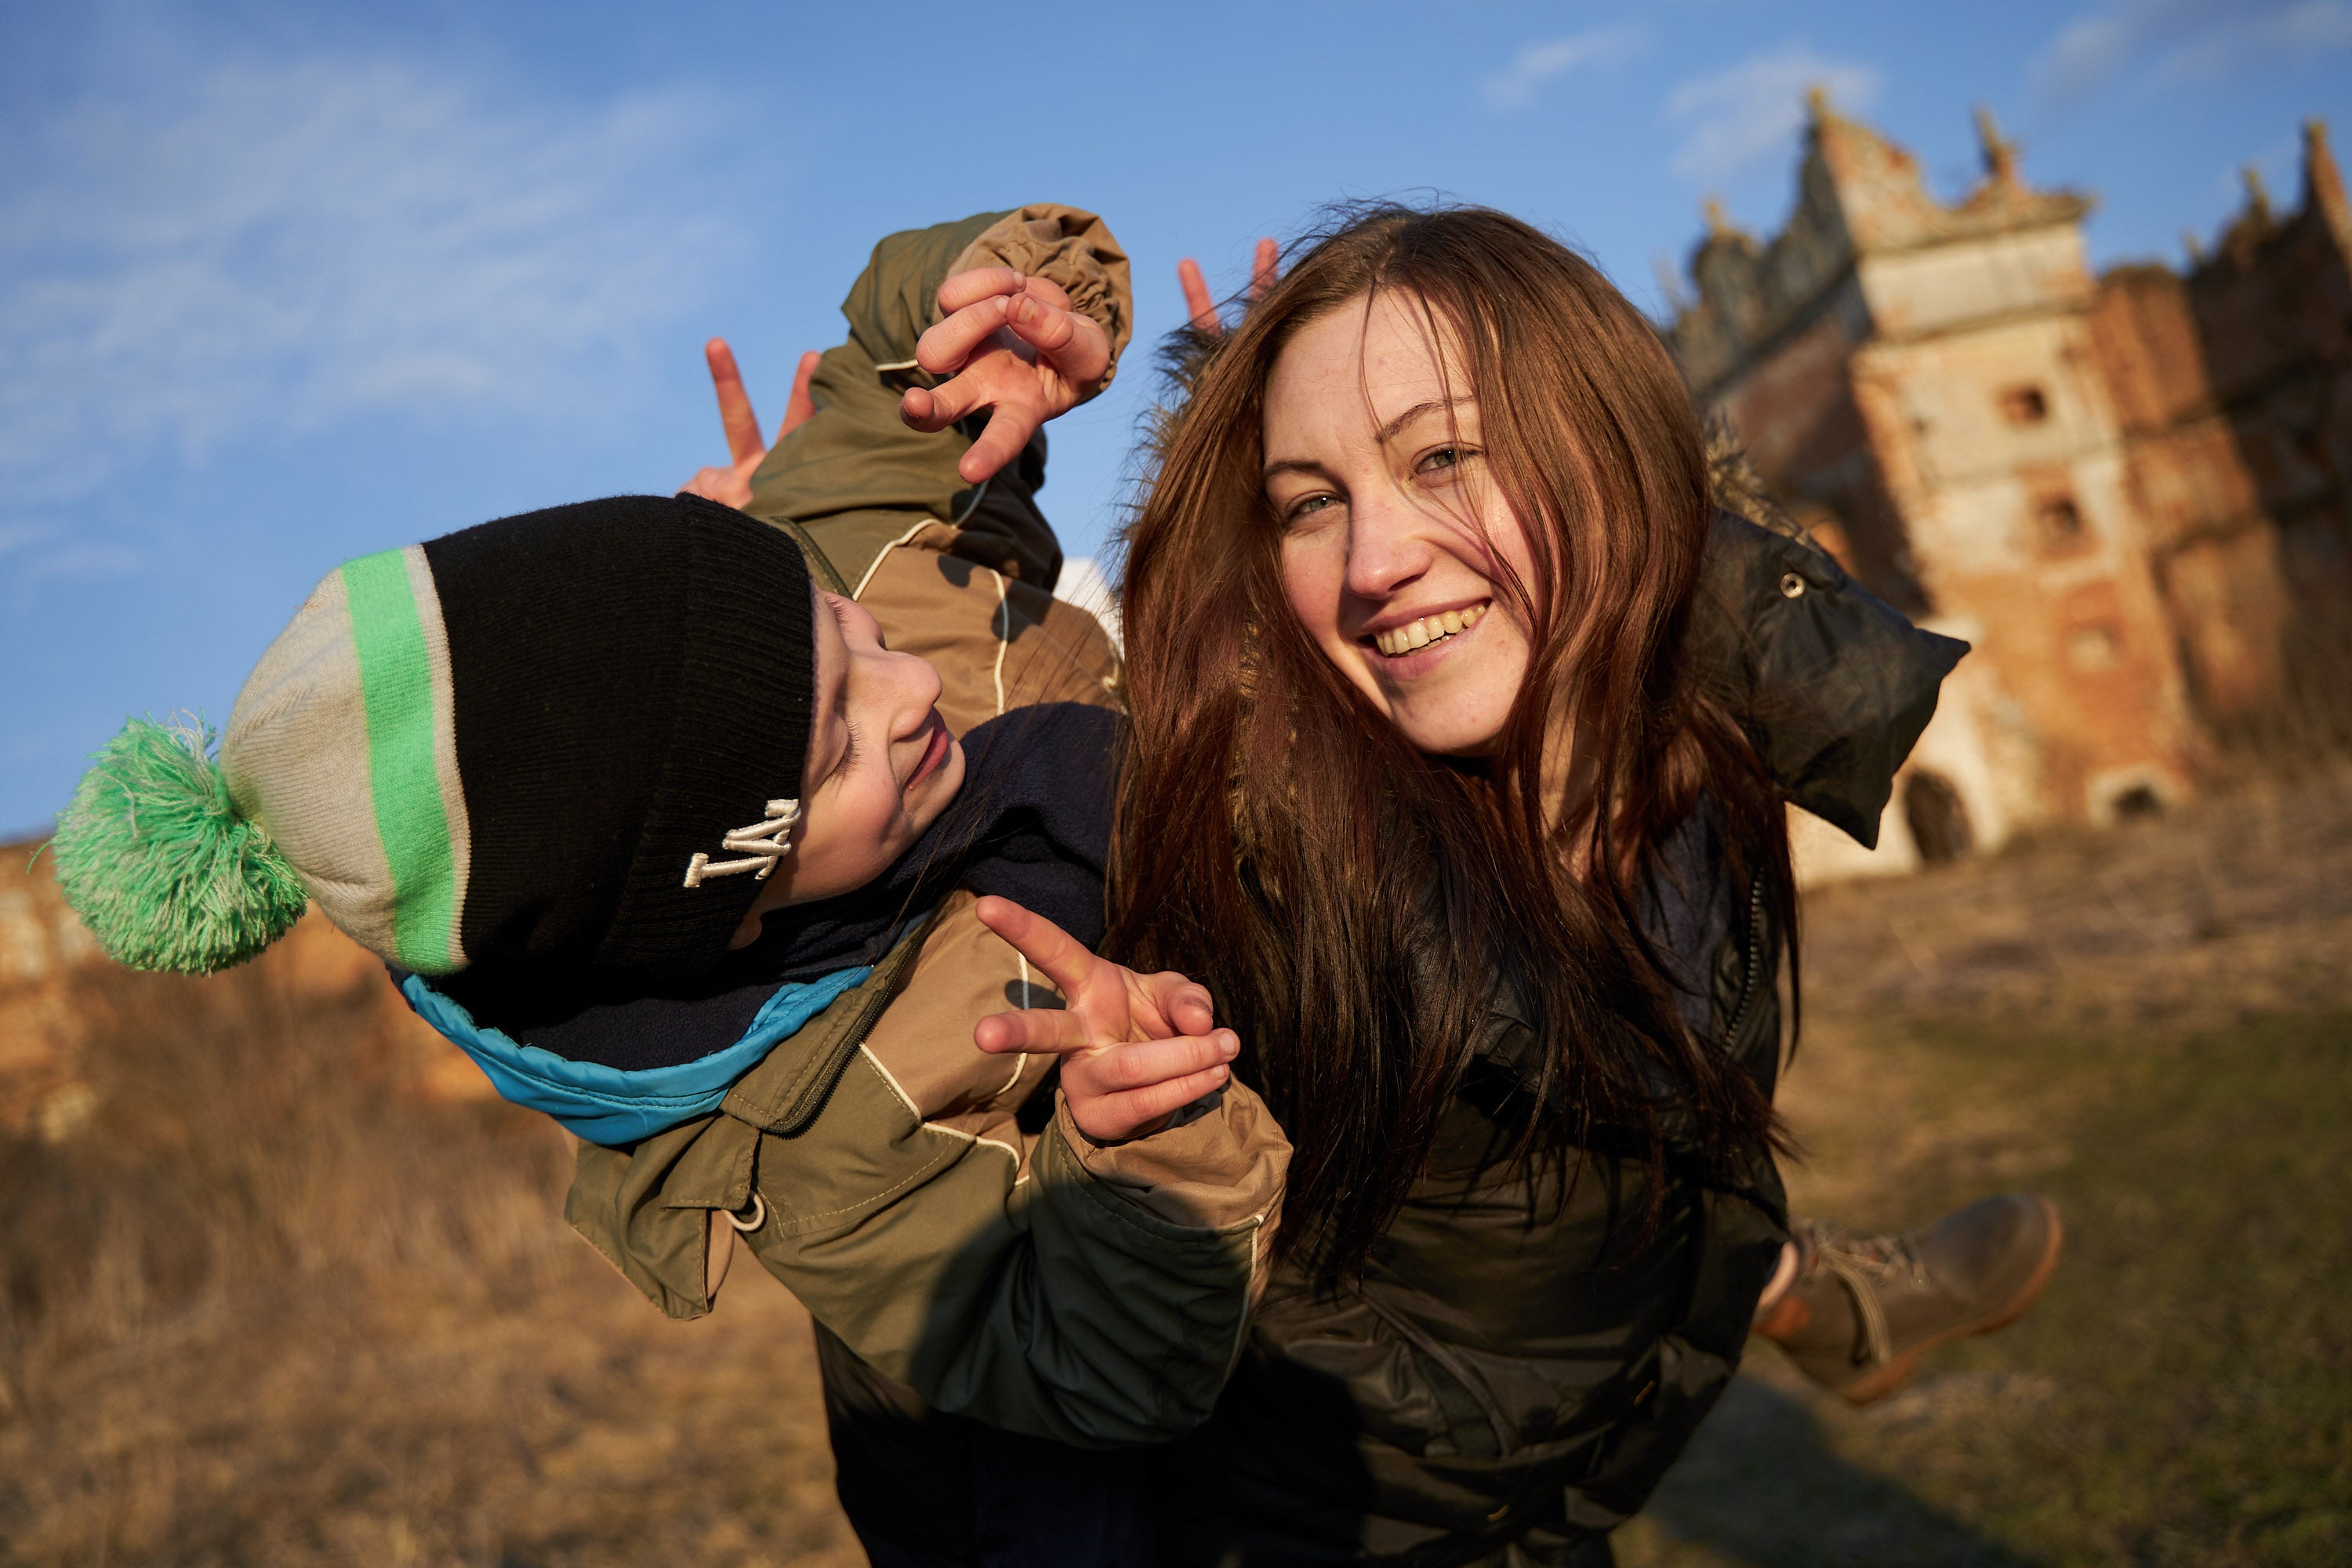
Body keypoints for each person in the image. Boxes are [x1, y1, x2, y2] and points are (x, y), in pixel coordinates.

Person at [44, 220, 1289, 1475]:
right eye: (832, 754)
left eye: (840, 625)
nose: (903, 688)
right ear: (727, 911)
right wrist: (1138, 1141)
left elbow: (878, 371)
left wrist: (987, 308)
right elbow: (1093, 1363)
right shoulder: (831, 1129)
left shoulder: (826, 596)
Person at [1095, 203, 2056, 1565]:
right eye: (1311, 501)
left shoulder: (1690, 739)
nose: (1374, 564)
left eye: (1441, 456)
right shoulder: (1248, 857)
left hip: (1569, 1479)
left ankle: (1818, 1296)